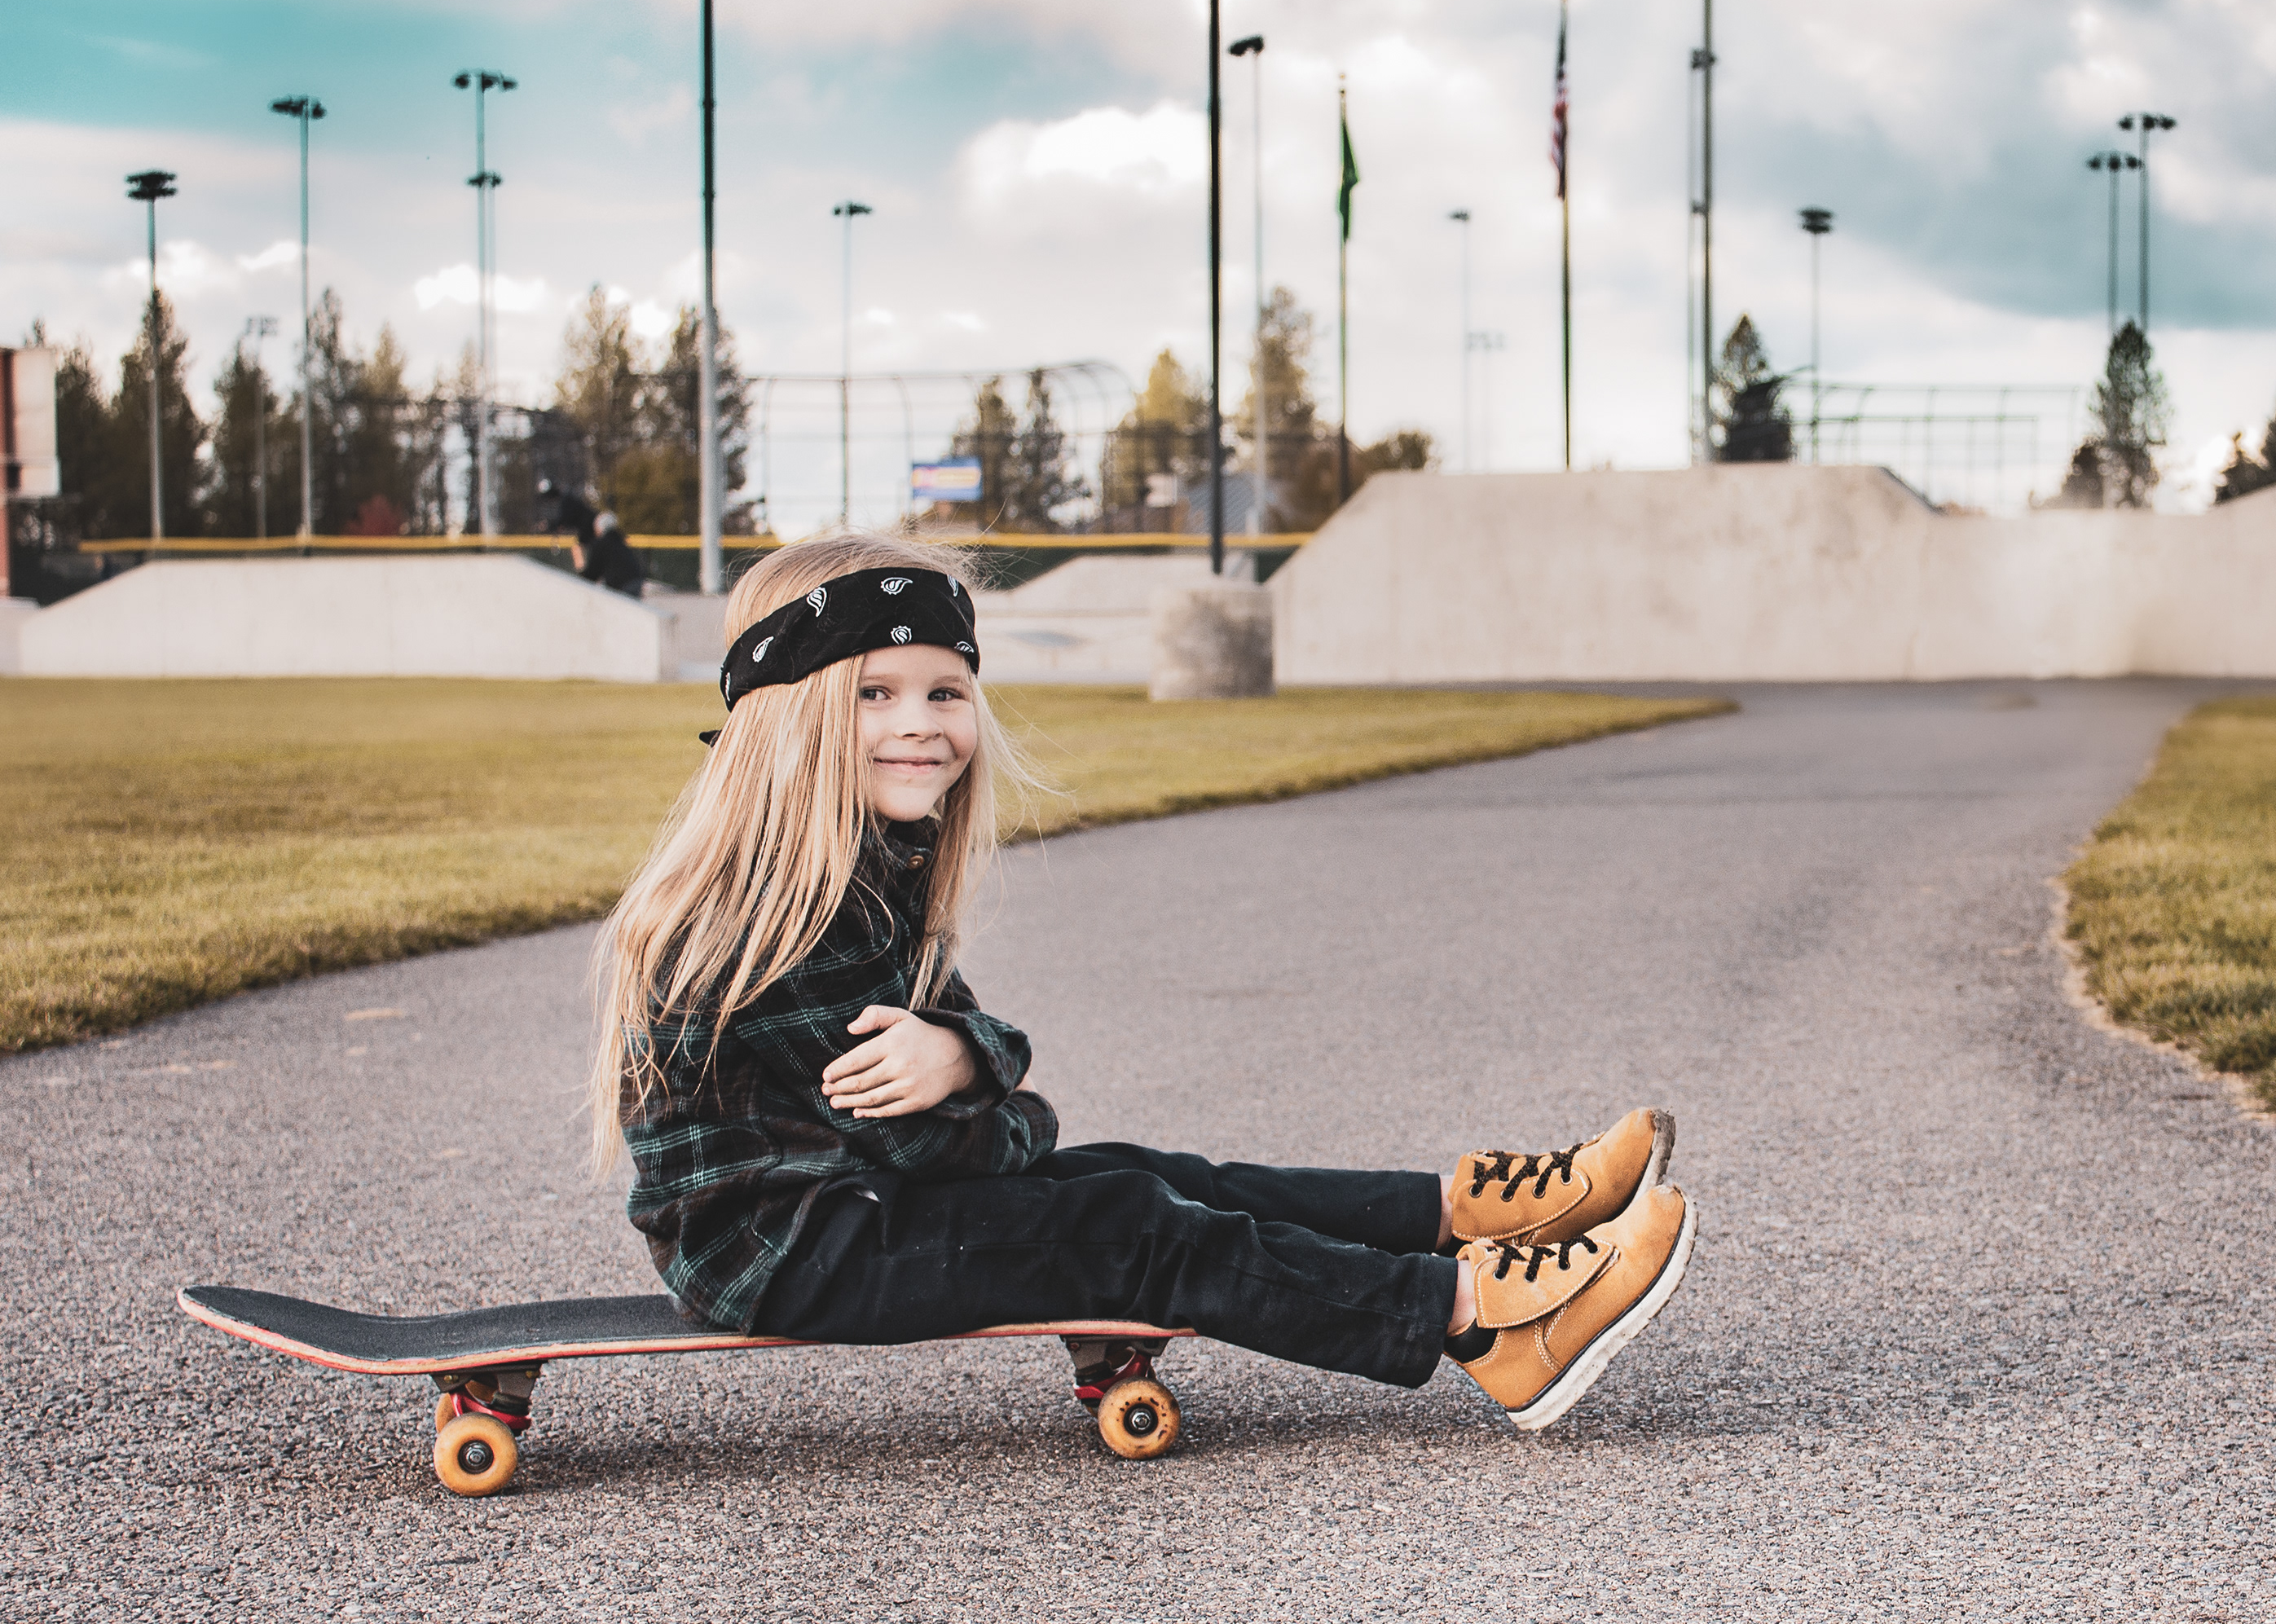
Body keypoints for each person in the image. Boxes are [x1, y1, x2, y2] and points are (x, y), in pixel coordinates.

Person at [543, 530, 1691, 1444]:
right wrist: (997, 1091)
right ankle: (1486, 1322)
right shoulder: (769, 910)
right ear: (787, 715)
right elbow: (941, 1149)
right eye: (873, 692)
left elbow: (967, 1077)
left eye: (945, 691)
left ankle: (1472, 1212)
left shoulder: (857, 866)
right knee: (1129, 1220)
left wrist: (970, 1063)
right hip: (784, 1250)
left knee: (1161, 1176)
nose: (922, 725)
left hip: (852, 1202)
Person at [539, 482, 646, 597]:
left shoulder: (601, 542)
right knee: (581, 549)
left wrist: (550, 526)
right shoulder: (619, 540)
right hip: (635, 582)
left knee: (578, 548)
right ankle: (585, 572)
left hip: (622, 587)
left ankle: (581, 571)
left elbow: (592, 574)